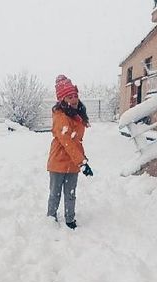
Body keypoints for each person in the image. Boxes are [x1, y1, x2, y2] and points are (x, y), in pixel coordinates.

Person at [46, 75, 93, 230]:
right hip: (58, 162)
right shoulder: (61, 117)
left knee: (71, 193)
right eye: (69, 97)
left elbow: (76, 142)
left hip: (73, 162)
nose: (74, 99)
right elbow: (68, 142)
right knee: (55, 194)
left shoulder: (77, 115)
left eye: (75, 96)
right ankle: (50, 219)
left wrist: (82, 159)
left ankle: (70, 219)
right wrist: (82, 162)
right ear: (62, 100)